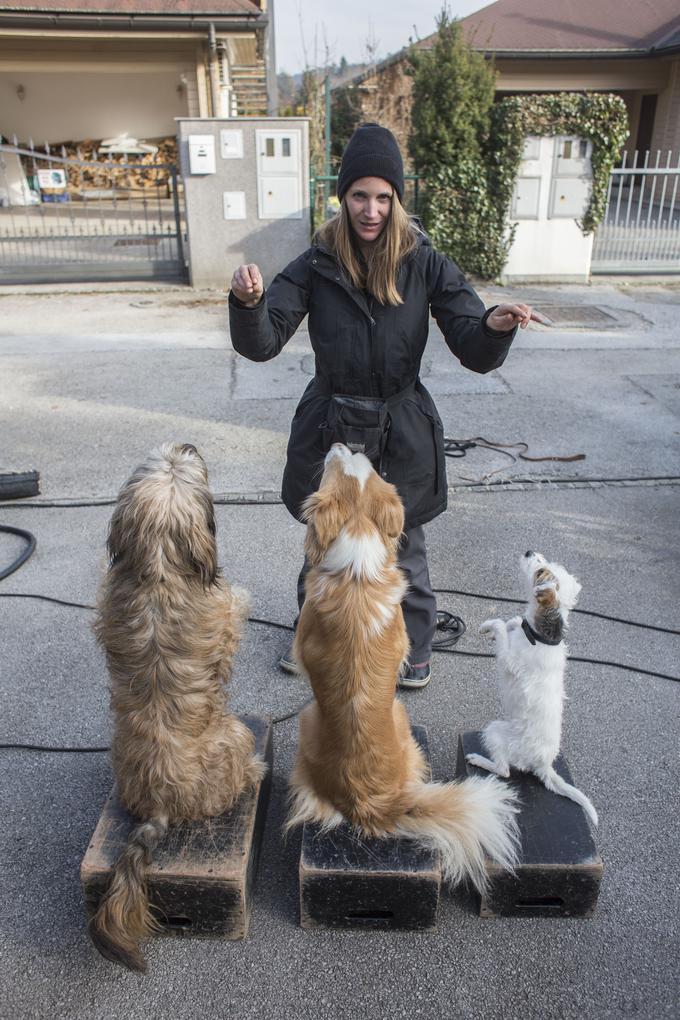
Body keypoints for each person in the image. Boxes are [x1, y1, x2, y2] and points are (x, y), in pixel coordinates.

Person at [229, 122, 539, 690]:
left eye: (382, 196)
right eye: (358, 195)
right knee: (323, 545)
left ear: (397, 199)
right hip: (330, 423)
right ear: (342, 198)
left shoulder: (424, 262)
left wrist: (493, 324)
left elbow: (473, 345)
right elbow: (263, 342)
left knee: (407, 548)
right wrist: (248, 304)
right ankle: (313, 643)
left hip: (401, 426)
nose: (370, 209)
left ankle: (413, 651)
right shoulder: (316, 261)